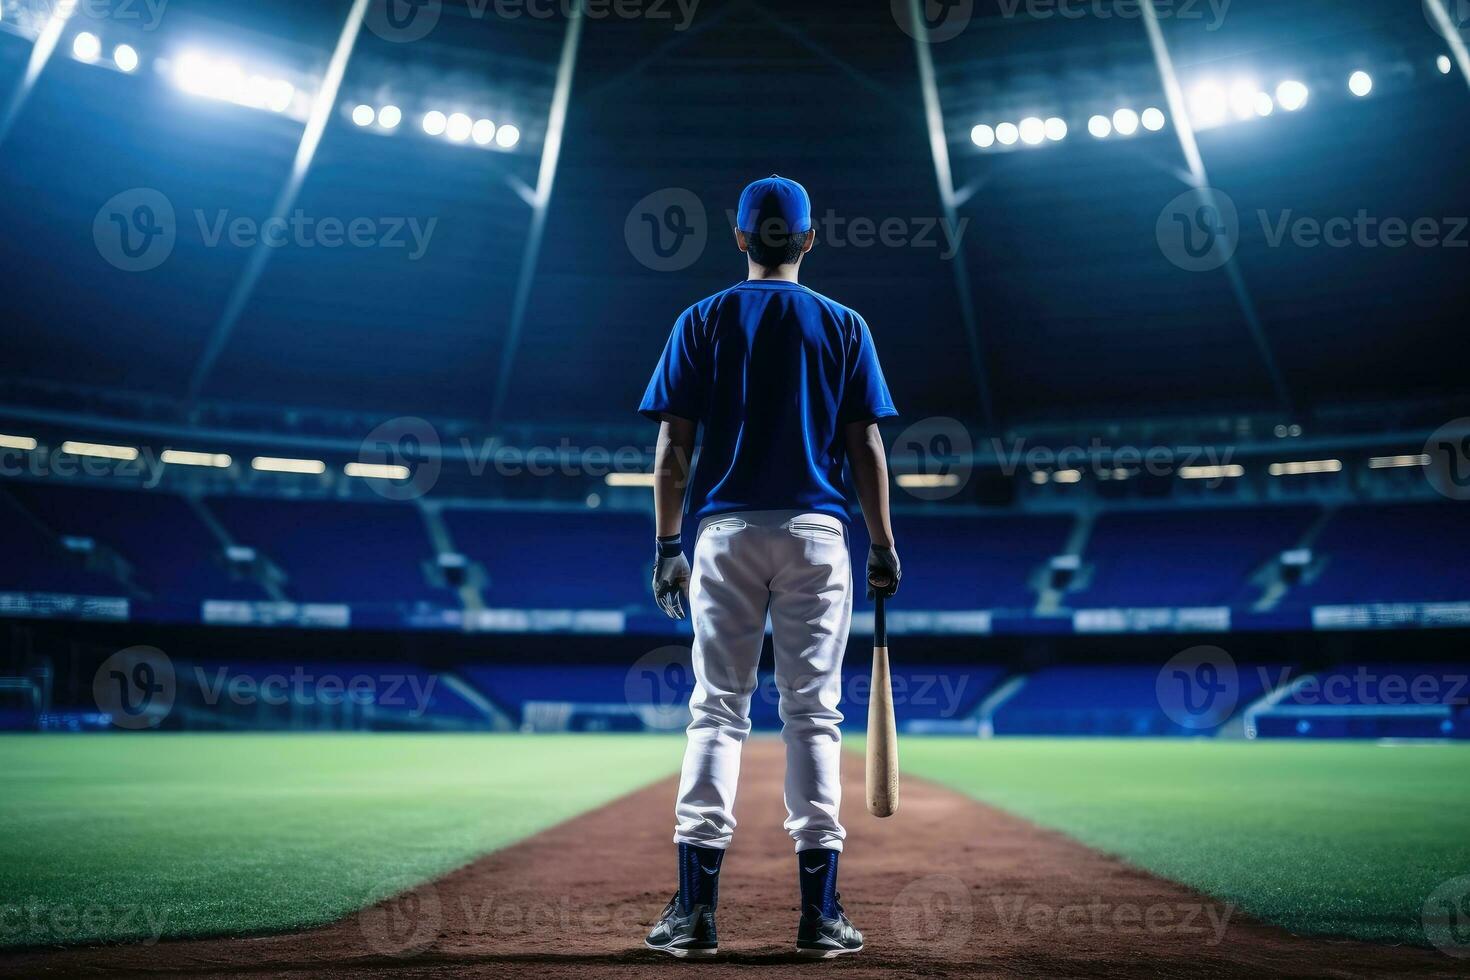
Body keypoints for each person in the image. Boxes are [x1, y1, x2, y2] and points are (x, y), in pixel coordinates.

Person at [637, 174, 901, 958]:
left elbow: (673, 449)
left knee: (717, 709)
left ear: (742, 236)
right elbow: (867, 447)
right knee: (812, 715)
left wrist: (666, 546)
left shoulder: (702, 317)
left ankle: (695, 913)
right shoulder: (846, 324)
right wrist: (883, 543)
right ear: (810, 240)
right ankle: (820, 916)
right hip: (818, 533)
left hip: (721, 531)